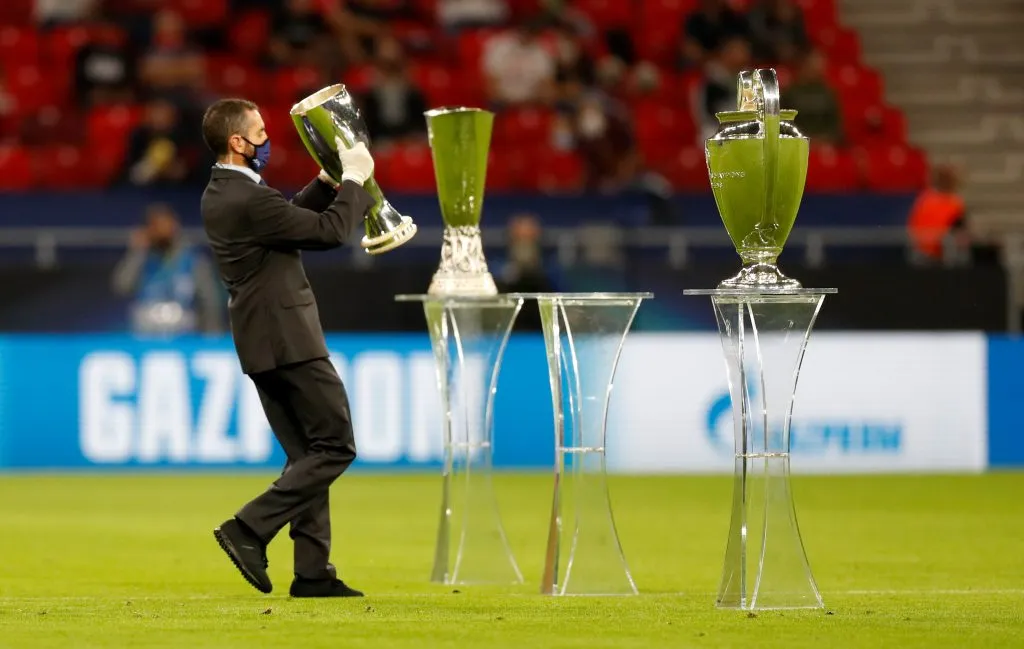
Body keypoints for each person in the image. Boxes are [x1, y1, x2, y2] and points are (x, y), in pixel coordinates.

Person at [199, 98, 376, 598]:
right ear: (238, 142)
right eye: (258, 131)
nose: (265, 138)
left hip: (260, 343)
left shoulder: (225, 192)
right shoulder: (248, 198)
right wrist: (357, 182)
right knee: (336, 446)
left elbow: (285, 221)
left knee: (306, 455)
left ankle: (313, 572)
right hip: (290, 340)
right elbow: (328, 232)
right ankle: (248, 528)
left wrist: (324, 185)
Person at [112, 203, 224, 335]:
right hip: (145, 334)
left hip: (184, 333)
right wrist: (137, 252)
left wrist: (212, 335)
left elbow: (210, 301)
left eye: (165, 224)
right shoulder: (141, 257)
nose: (162, 230)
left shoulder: (193, 260)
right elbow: (122, 287)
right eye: (156, 226)